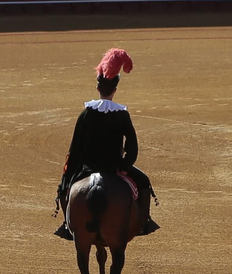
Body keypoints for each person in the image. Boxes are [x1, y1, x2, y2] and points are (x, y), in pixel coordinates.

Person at [54, 48, 158, 240]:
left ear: (98, 88)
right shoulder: (122, 114)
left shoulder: (85, 114)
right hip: (114, 168)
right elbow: (132, 146)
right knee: (144, 183)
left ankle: (68, 224)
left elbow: (75, 147)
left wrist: (69, 172)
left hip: (87, 168)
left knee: (63, 188)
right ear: (115, 90)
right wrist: (125, 166)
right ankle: (143, 222)